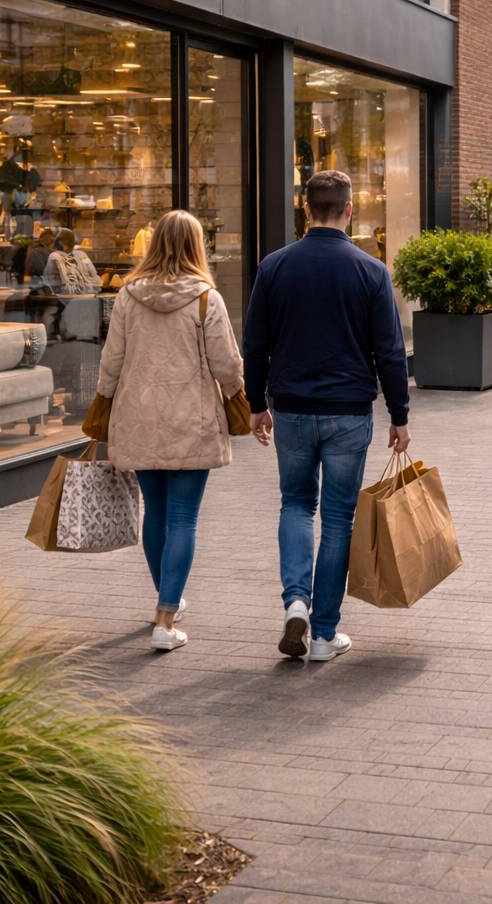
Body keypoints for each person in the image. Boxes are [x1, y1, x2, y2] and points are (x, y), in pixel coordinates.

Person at [244, 170, 410, 663]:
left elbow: (255, 344)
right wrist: (399, 415)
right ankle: (323, 634)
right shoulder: (371, 271)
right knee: (338, 519)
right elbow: (391, 352)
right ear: (349, 209)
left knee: (296, 504)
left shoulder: (273, 267)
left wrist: (256, 404)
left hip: (291, 408)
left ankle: (296, 599)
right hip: (348, 411)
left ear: (306, 209)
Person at [97, 210, 245, 652]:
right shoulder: (206, 299)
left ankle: (169, 601)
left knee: (156, 515)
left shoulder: (127, 295)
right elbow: (226, 365)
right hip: (191, 419)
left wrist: (102, 403)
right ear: (196, 246)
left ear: (154, 243)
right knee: (183, 517)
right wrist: (241, 394)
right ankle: (165, 619)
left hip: (138, 416)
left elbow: (112, 360)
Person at [43, 228, 100, 294]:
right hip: (79, 298)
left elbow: (95, 279)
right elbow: (53, 284)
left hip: (79, 297)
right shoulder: (55, 257)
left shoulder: (81, 255)